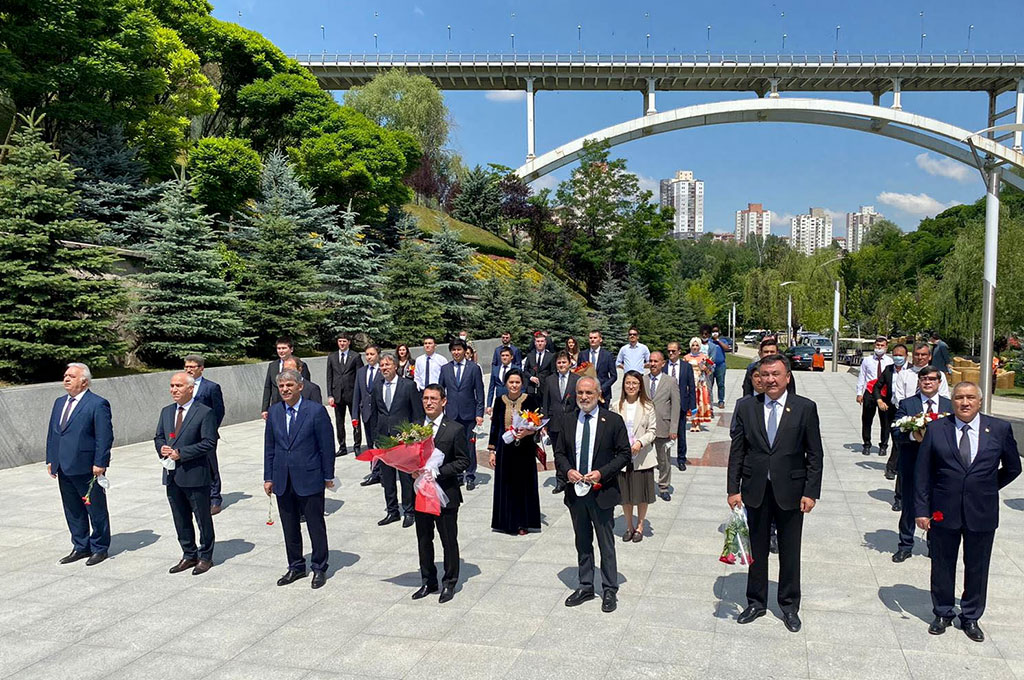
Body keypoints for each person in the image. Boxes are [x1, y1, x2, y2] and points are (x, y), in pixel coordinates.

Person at [915, 382, 1021, 642]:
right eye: (960, 397)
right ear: (952, 401)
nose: (965, 402)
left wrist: (986, 487)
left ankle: (971, 616)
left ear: (980, 401)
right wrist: (921, 510)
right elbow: (922, 473)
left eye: (970, 397)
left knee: (977, 566)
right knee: (942, 564)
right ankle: (942, 612)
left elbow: (1012, 467)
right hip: (943, 511)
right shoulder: (938, 429)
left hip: (981, 511)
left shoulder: (998, 429)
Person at [728, 354, 823, 632]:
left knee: (790, 550)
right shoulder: (747, 407)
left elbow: (814, 454)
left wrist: (811, 492)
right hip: (755, 489)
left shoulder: (804, 408)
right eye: (765, 374)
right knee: (756, 549)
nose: (769, 379)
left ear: (787, 377)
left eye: (775, 374)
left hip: (791, 492)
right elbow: (737, 451)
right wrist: (733, 489)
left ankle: (789, 605)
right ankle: (756, 601)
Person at [555, 376, 631, 613]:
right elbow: (559, 453)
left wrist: (601, 473)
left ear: (598, 394)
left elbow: (624, 454)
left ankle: (609, 589)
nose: (584, 397)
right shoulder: (568, 421)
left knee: (605, 543)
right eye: (580, 393)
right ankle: (586, 585)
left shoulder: (613, 421)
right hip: (576, 493)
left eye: (589, 393)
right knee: (582, 541)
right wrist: (568, 471)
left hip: (602, 492)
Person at [263, 368, 336, 589]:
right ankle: (295, 566)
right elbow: (269, 447)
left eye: (289, 385)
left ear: (300, 387)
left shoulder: (315, 411)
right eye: (282, 386)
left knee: (315, 524)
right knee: (289, 525)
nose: (285, 389)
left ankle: (319, 567)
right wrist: (268, 477)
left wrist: (328, 475)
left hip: (310, 477)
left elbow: (327, 446)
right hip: (283, 478)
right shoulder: (274, 412)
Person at [46, 363, 113, 566]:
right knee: (72, 509)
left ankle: (100, 547)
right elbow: (53, 433)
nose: (66, 379)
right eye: (65, 375)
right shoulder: (59, 402)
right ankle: (80, 546)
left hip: (86, 466)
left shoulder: (97, 404)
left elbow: (104, 436)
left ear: (84, 381)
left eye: (71, 376)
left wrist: (100, 462)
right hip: (63, 465)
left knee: (95, 508)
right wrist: (51, 458)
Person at [412, 384, 471, 603]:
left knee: (448, 540)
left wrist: (437, 471)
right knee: (424, 539)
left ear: (443, 401)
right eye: (426, 398)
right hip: (421, 494)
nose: (429, 402)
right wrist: (413, 470)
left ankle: (450, 582)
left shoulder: (454, 429)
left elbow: (463, 461)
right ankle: (428, 580)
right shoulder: (415, 427)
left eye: (433, 398)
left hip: (445, 493)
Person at [155, 372, 218, 575]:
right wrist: (162, 448)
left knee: (202, 518)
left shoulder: (204, 412)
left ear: (190, 388)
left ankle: (206, 556)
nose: (174, 389)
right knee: (180, 518)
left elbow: (209, 442)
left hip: (195, 474)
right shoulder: (166, 412)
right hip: (172, 475)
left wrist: (181, 453)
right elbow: (158, 437)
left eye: (179, 386)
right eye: (172, 386)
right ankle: (188, 554)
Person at [891, 366, 951, 560]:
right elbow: (896, 431)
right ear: (919, 381)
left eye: (932, 379)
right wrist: (913, 434)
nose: (927, 382)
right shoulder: (908, 404)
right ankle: (905, 545)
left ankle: (934, 544)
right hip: (913, 463)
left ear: (939, 382)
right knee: (909, 504)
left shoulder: (949, 406)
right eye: (923, 378)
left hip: (940, 467)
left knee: (937, 506)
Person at [488, 369, 543, 535]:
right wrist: (492, 451)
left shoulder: (530, 400)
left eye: (517, 382)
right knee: (506, 485)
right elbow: (495, 426)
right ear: (506, 383)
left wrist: (528, 432)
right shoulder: (499, 401)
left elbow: (537, 424)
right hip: (505, 448)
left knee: (523, 485)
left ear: (522, 384)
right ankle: (506, 522)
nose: (514, 385)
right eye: (511, 382)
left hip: (524, 448)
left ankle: (522, 523)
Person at [373, 353, 425, 527]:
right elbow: (374, 413)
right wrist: (375, 436)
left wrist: (412, 436)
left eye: (387, 365)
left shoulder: (408, 386)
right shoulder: (377, 386)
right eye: (382, 365)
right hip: (384, 439)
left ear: (395, 366)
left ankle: (410, 511)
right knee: (387, 478)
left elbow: (417, 414)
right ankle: (392, 511)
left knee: (405, 477)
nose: (384, 368)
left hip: (403, 440)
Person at [611, 371, 657, 542]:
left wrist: (640, 443)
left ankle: (640, 526)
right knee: (626, 495)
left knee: (641, 495)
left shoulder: (648, 406)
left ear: (640, 387)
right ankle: (629, 526)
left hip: (641, 456)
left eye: (635, 384)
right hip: (622, 457)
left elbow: (652, 431)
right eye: (628, 383)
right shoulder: (616, 406)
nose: (631, 386)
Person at [438, 339, 485, 490]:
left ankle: (470, 475)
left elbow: (479, 391)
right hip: (451, 414)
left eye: (459, 349)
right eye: (454, 350)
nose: (456, 352)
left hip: (469, 414)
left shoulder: (473, 368)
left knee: (469, 445)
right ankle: (457, 475)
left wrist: (479, 413)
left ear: (465, 351)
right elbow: (441, 391)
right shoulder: (445, 368)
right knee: (452, 446)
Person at [184, 354, 226, 515]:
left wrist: (210, 430)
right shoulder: (182, 385)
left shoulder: (211, 387)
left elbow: (219, 411)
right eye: (186, 367)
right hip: (188, 435)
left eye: (192, 367)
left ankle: (215, 498)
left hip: (206, 435)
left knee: (210, 465)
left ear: (201, 368)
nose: (189, 370)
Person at [541, 352, 580, 493]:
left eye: (564, 362)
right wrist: (544, 423)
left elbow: (580, 401)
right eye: (559, 362)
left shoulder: (577, 379)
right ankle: (560, 480)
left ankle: (573, 477)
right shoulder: (550, 380)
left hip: (572, 421)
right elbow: (545, 402)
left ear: (569, 363)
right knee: (558, 452)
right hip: (554, 422)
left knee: (572, 451)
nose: (561, 365)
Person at [645, 351, 680, 501]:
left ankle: (664, 486)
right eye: (651, 361)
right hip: (645, 428)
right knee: (644, 458)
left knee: (663, 460)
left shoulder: (670, 381)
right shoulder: (643, 380)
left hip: (663, 426)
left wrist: (673, 429)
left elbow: (676, 406)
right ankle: (645, 486)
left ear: (663, 363)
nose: (653, 364)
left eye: (656, 361)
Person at [873, 344, 910, 477]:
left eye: (901, 355)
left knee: (900, 438)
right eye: (895, 355)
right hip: (891, 407)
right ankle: (893, 465)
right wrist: (879, 400)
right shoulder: (889, 370)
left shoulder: (912, 371)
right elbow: (877, 387)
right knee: (893, 434)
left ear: (906, 356)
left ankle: (892, 467)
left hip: (907, 409)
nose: (898, 357)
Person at [326, 333, 363, 456]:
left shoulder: (355, 356)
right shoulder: (332, 357)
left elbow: (359, 375)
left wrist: (360, 393)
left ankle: (357, 445)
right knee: (339, 422)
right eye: (340, 341)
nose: (342, 343)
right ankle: (342, 447)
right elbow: (329, 377)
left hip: (352, 394)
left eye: (344, 341)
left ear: (349, 342)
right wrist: (330, 395)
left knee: (355, 420)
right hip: (337, 395)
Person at [857, 336, 893, 456]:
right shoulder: (867, 360)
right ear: (874, 346)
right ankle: (866, 444)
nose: (879, 347)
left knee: (885, 421)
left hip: (884, 394)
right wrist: (859, 393)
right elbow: (862, 376)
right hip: (870, 392)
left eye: (882, 345)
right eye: (877, 345)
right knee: (867, 419)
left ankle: (883, 445)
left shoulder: (890, 362)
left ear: (886, 347)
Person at [261, 336, 311, 420]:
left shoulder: (301, 365)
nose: (281, 351)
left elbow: (306, 387)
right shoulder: (272, 366)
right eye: (279, 348)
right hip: (277, 406)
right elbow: (268, 387)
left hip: (294, 406)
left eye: (284, 348)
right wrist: (265, 408)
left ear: (291, 349)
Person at [353, 346, 383, 485]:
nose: (369, 357)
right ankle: (375, 472)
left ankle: (383, 471)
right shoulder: (361, 372)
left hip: (381, 414)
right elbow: (357, 395)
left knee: (382, 444)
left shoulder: (383, 370)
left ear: (378, 355)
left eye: (372, 354)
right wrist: (355, 415)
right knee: (371, 444)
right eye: (367, 354)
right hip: (366, 414)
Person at [666, 341, 697, 470]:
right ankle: (664, 459)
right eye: (669, 351)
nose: (671, 353)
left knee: (681, 434)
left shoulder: (686, 367)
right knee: (664, 434)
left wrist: (692, 404)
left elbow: (691, 386)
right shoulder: (663, 367)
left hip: (682, 404)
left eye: (673, 351)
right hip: (666, 405)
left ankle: (681, 459)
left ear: (679, 352)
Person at [685, 337, 714, 432]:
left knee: (700, 402)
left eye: (697, 345)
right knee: (691, 402)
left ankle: (698, 422)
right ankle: (693, 422)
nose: (695, 347)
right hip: (690, 383)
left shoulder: (704, 357)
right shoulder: (686, 358)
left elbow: (710, 372)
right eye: (693, 345)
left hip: (700, 383)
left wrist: (705, 368)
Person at [585, 330, 617, 404]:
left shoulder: (608, 355)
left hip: (603, 394)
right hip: (587, 394)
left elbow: (614, 376)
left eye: (595, 338)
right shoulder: (583, 355)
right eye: (590, 338)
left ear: (600, 339)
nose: (592, 340)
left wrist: (602, 389)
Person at [703, 324, 730, 409]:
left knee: (721, 384)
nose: (715, 333)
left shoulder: (723, 340)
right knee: (709, 384)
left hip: (720, 365)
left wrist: (718, 340)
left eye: (716, 331)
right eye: (713, 331)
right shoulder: (709, 341)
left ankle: (721, 401)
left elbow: (726, 348)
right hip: (710, 366)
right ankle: (708, 401)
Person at [523, 331, 555, 396]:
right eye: (538, 341)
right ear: (535, 343)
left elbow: (553, 372)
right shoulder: (530, 355)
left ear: (545, 342)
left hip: (545, 388)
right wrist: (530, 377)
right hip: (531, 388)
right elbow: (525, 370)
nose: (540, 343)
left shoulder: (551, 356)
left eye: (542, 341)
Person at [486, 347, 515, 415]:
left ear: (512, 357)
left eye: (507, 355)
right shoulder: (495, 370)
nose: (504, 357)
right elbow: (491, 388)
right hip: (499, 402)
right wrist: (489, 405)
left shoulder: (516, 369)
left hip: (512, 402)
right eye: (502, 355)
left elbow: (521, 388)